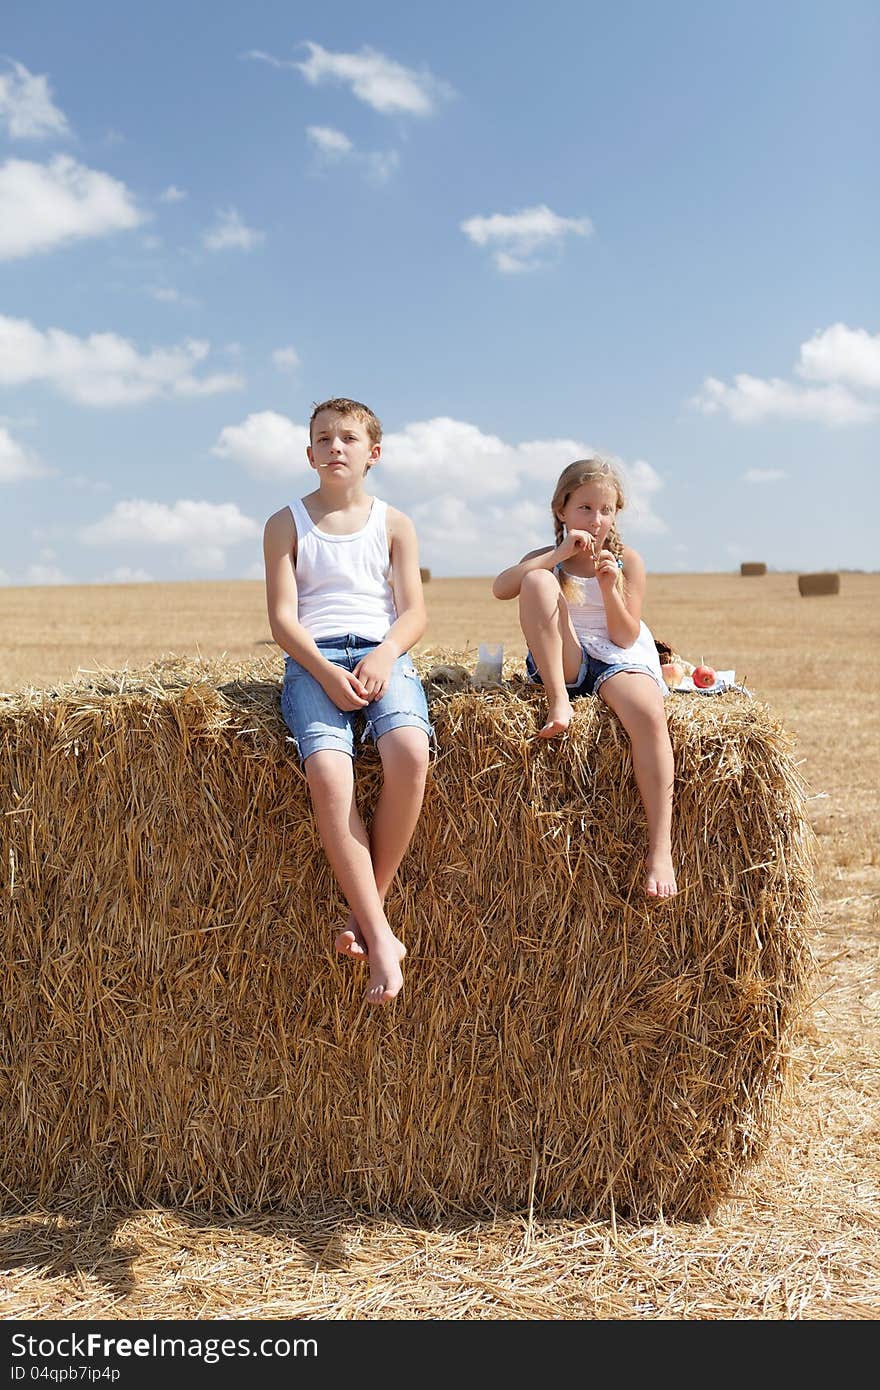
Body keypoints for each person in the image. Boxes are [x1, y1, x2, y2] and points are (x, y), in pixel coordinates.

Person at [263, 397, 432, 1003]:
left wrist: (385, 656)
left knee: (411, 752)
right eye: (324, 439)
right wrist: (327, 675)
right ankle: (384, 938)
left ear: (373, 454)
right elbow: (283, 620)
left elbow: (413, 612)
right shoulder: (285, 523)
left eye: (349, 439)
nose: (337, 447)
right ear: (309, 454)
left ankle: (370, 920)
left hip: (383, 652)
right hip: (314, 659)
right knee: (331, 776)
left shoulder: (395, 523)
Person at [492, 456, 677, 898]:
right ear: (562, 510)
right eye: (585, 508)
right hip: (566, 656)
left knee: (649, 715)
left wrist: (610, 586)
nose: (596, 519)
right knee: (535, 582)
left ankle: (660, 848)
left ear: (616, 514)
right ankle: (560, 701)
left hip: (617, 653)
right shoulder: (546, 558)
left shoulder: (627, 560)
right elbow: (501, 588)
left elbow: (625, 633)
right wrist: (555, 558)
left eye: (606, 510)